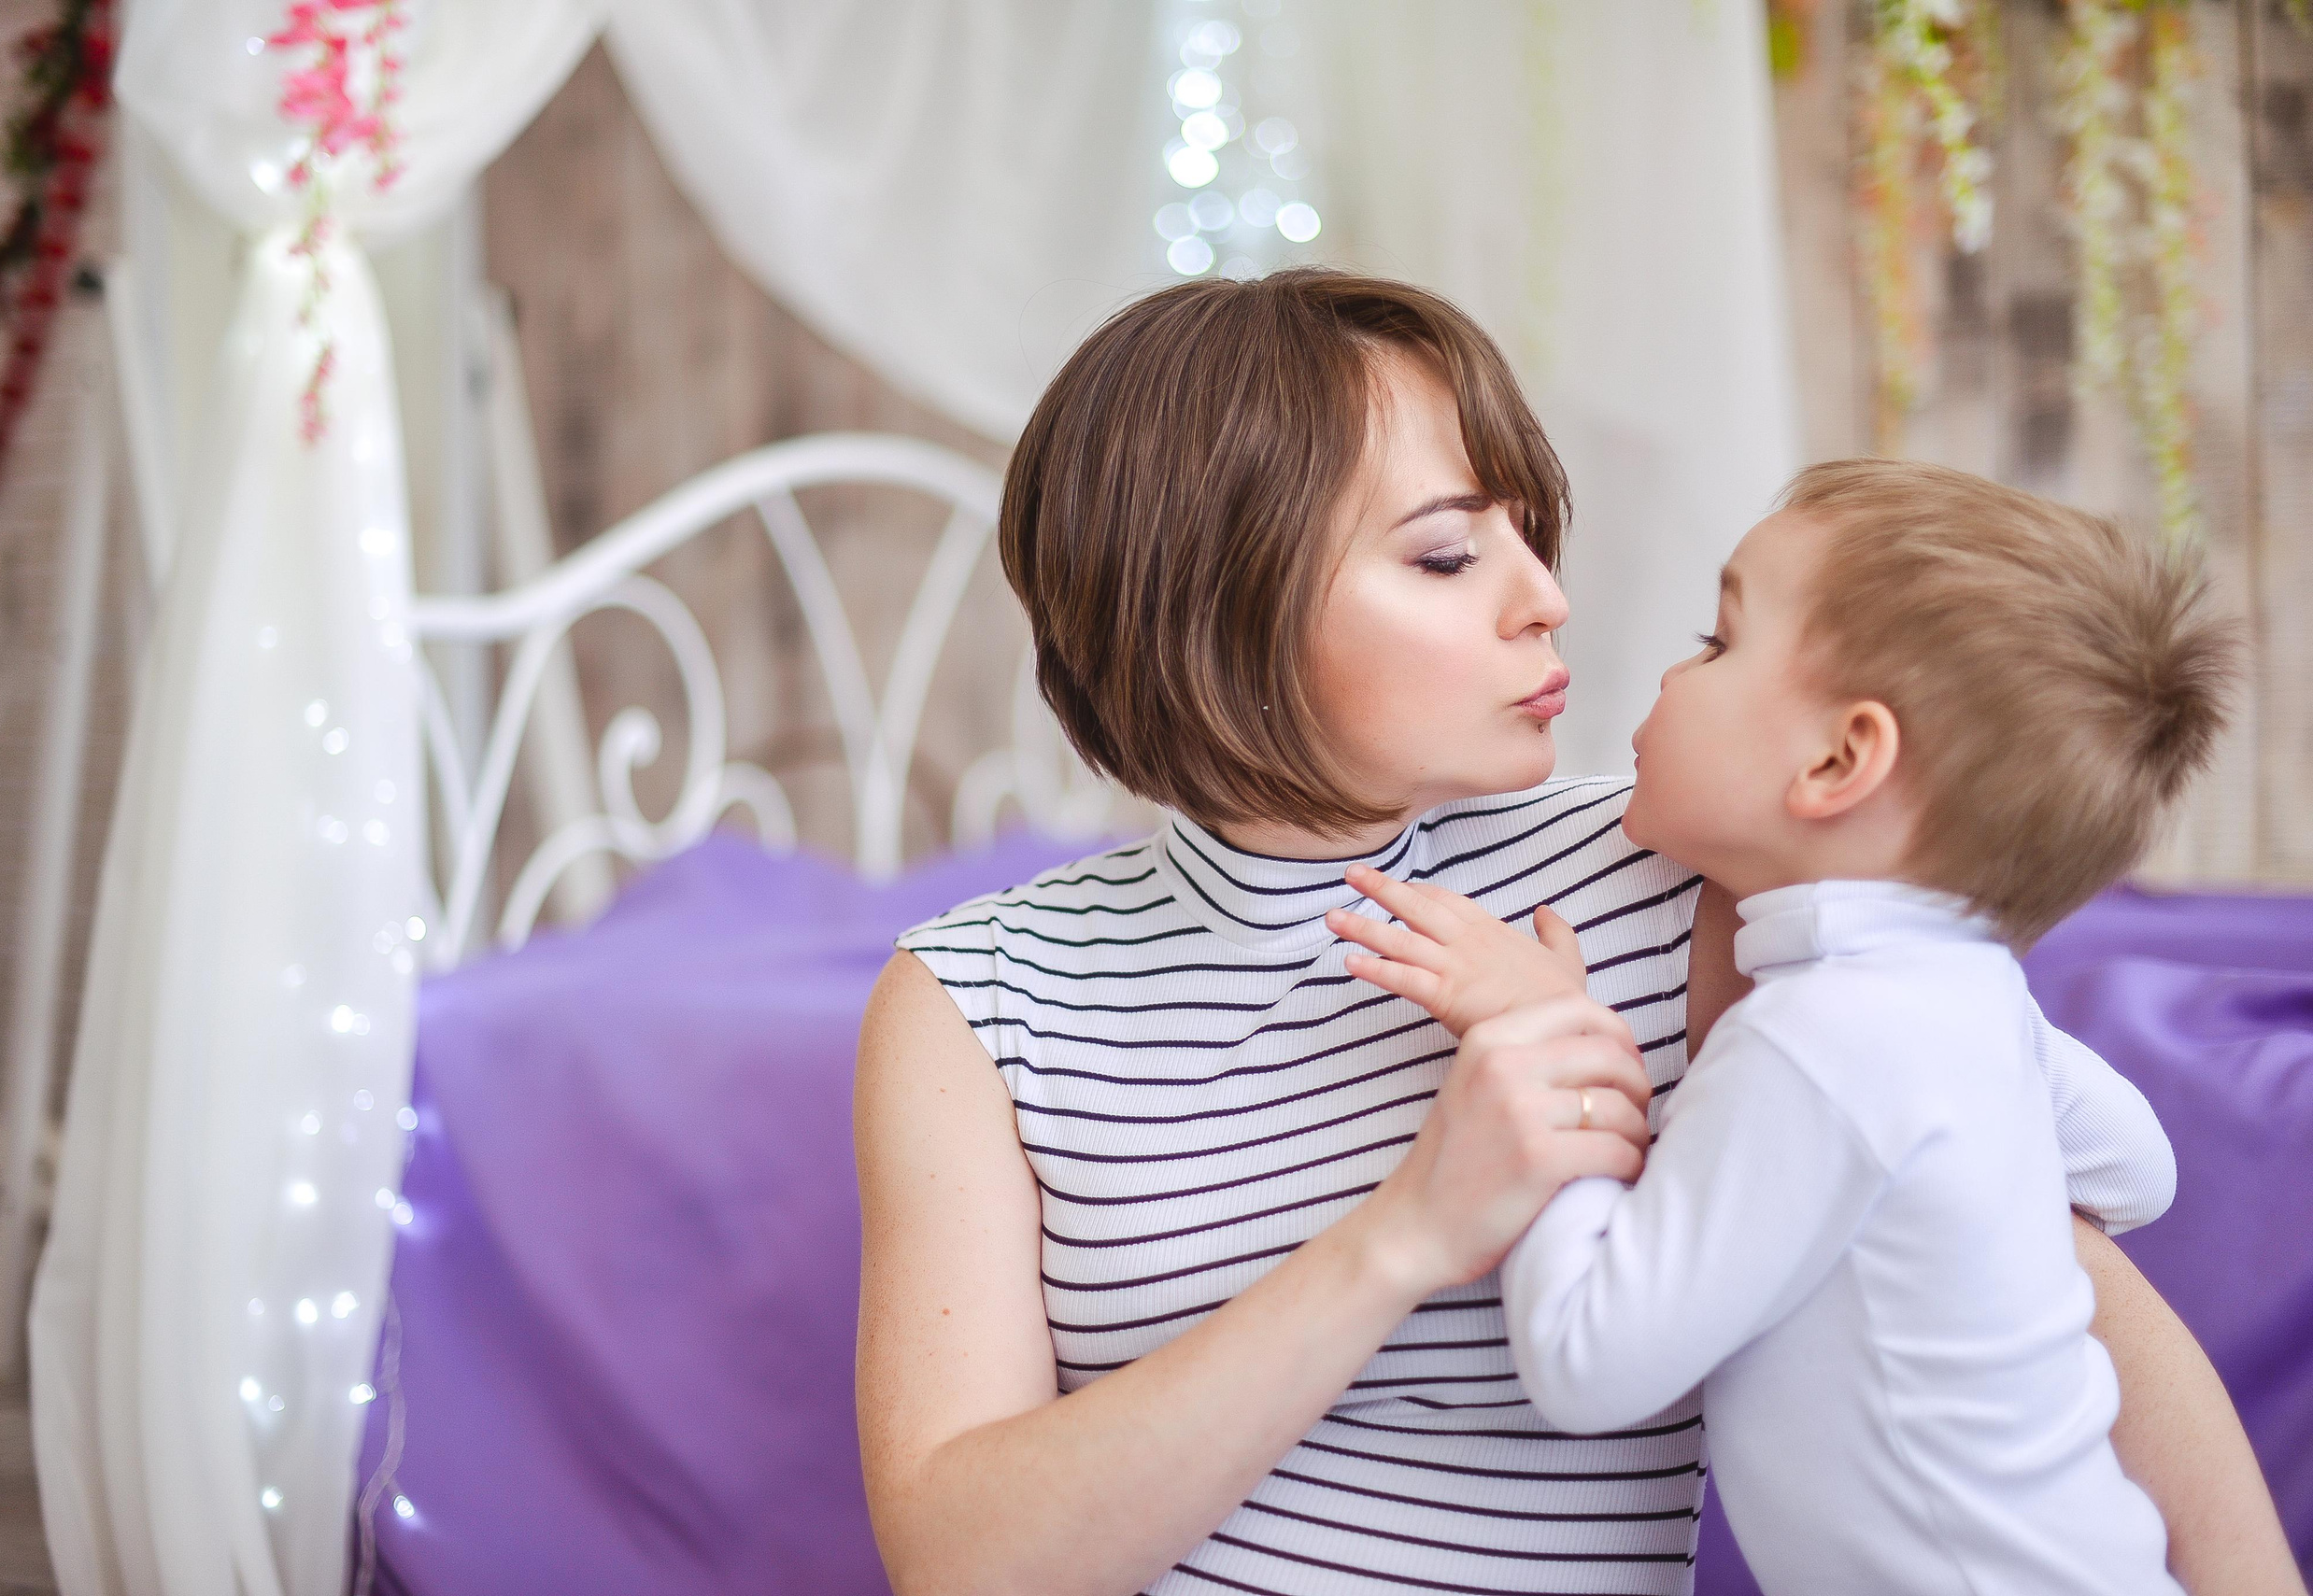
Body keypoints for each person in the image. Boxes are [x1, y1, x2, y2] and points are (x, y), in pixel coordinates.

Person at [852, 270, 2301, 1596]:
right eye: (1442, 559)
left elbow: (2042, 1289)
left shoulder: (1692, 877)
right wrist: (1410, 1233)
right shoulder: (977, 1001)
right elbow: (965, 1562)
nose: (1546, 602)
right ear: (1208, 600)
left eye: (1527, 537)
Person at [1331, 459, 2242, 1594]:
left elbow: (1589, 1362)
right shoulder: (1957, 1001)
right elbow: (2136, 1169)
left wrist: (1542, 1035)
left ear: (1836, 760)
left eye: (1717, 643)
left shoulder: (1808, 1043)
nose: (1670, 670)